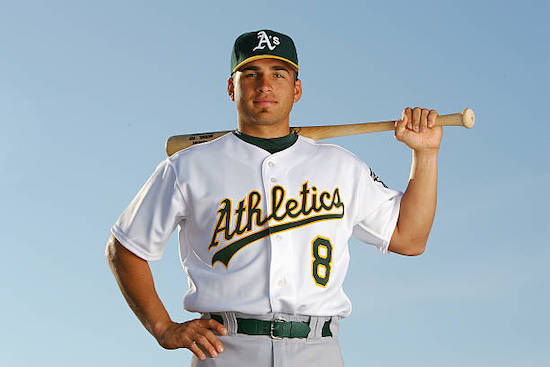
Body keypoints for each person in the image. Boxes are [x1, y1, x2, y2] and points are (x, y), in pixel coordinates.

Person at [105, 29, 442, 367]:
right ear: (230, 87)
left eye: (278, 74)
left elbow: (409, 238)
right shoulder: (189, 166)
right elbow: (124, 247)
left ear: (297, 89)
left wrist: (425, 156)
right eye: (251, 74)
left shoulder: (340, 165)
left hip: (317, 349)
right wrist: (163, 327)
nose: (264, 85)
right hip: (224, 348)